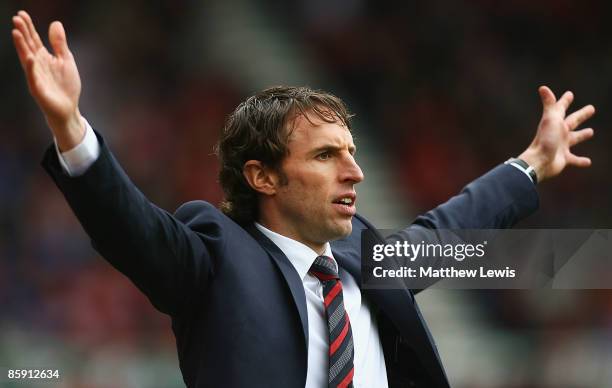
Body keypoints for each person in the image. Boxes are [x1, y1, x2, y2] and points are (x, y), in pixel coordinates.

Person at [11, 10, 596, 388]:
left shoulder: (368, 258)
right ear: (262, 177)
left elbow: (450, 231)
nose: (356, 173)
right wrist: (71, 130)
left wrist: (533, 165)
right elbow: (130, 229)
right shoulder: (216, 257)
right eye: (325, 156)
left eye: (351, 151)